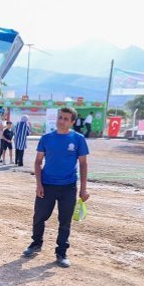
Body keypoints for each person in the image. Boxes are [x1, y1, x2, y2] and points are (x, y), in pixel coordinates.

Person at [23, 107, 90, 267]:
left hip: (68, 187)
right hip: (47, 185)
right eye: (60, 117)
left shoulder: (78, 139)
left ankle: (61, 253)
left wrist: (83, 189)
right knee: (39, 217)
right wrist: (38, 184)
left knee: (65, 221)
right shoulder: (46, 138)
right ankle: (36, 243)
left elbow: (83, 163)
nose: (61, 121)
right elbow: (38, 162)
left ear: (72, 122)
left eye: (66, 119)